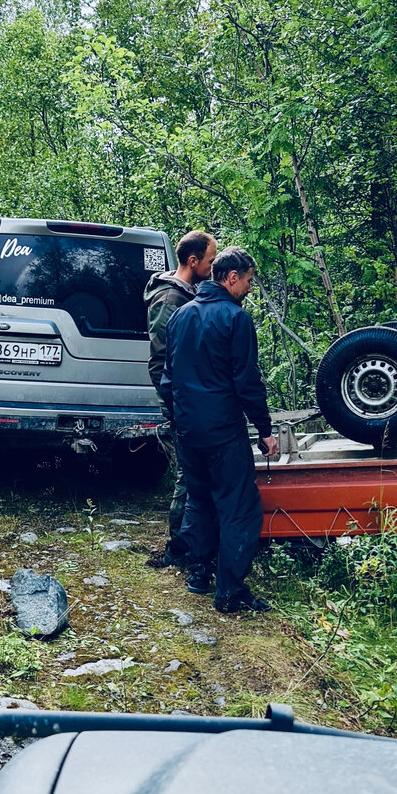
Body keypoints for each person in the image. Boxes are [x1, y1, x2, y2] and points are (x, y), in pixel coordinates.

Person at [159, 246, 278, 613]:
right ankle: (230, 592)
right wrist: (264, 429)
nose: (248, 288)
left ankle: (198, 573)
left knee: (200, 499)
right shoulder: (235, 319)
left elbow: (167, 379)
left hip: (189, 430)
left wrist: (180, 420)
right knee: (238, 507)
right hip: (223, 430)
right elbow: (246, 381)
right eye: (247, 281)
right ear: (231, 278)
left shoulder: (180, 316)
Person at [145, 230, 217, 568]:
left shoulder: (188, 294)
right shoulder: (169, 301)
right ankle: (178, 547)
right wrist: (175, 407)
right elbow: (161, 360)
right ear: (193, 261)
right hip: (179, 402)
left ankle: (191, 542)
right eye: (211, 261)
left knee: (194, 472)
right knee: (187, 473)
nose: (214, 266)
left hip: (190, 399)